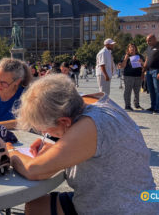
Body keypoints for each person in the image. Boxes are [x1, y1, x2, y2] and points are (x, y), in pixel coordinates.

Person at [8, 74, 158, 214]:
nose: (45, 135)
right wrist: (57, 149)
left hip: (127, 208)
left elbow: (33, 170)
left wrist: (10, 151)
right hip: (145, 196)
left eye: (46, 131)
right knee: (36, 206)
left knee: (36, 209)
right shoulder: (94, 102)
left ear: (65, 122)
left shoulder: (89, 126)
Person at [120, 44, 145, 111]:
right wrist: (125, 59)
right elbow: (122, 66)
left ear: (136, 49)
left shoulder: (139, 56)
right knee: (128, 91)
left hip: (138, 76)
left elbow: (144, 66)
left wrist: (142, 62)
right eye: (130, 48)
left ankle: (137, 105)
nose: (132, 49)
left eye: (133, 47)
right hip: (128, 76)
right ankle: (127, 106)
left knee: (137, 92)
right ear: (128, 49)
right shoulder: (125, 56)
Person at [144, 34, 159, 114]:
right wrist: (144, 69)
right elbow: (147, 58)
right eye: (146, 40)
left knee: (157, 90)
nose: (147, 42)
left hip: (156, 71)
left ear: (154, 39)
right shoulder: (149, 47)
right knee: (151, 90)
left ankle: (157, 108)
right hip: (149, 71)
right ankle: (153, 106)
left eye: (149, 40)